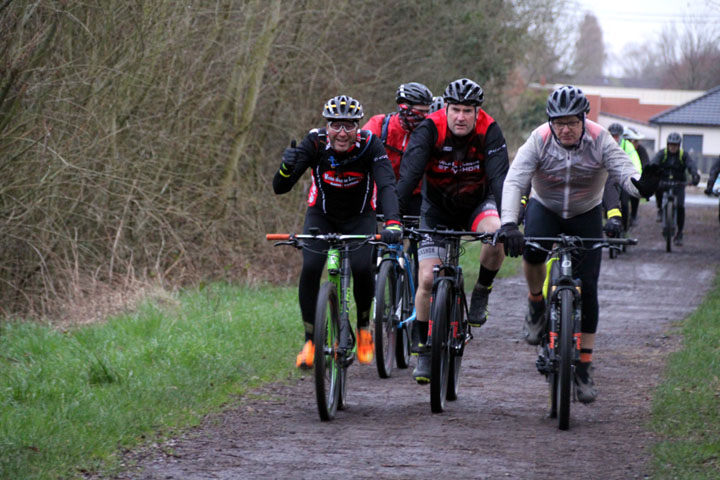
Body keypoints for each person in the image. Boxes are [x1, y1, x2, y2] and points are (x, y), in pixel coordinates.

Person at [497, 85, 660, 403]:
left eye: (572, 122)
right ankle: (535, 305)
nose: (566, 129)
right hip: (545, 207)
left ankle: (584, 366)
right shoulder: (540, 138)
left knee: (590, 286)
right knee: (532, 252)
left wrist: (642, 188)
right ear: (550, 122)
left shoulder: (600, 138)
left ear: (584, 119)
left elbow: (624, 173)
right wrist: (507, 222)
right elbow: (515, 179)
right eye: (559, 123)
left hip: (586, 212)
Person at [273, 95, 403, 369]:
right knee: (310, 267)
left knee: (361, 267)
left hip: (360, 217)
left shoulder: (370, 145)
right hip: (321, 216)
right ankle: (310, 341)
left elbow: (387, 184)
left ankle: (364, 328)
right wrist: (287, 167)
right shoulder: (315, 143)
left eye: (349, 126)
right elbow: (280, 187)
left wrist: (392, 222)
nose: (342, 133)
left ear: (358, 127)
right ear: (327, 126)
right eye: (335, 125)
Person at [396, 78, 510, 383]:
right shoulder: (430, 128)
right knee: (427, 279)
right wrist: (394, 217)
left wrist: (511, 221)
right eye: (455, 109)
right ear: (446, 108)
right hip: (437, 208)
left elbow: (501, 179)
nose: (460, 116)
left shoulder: (490, 130)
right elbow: (409, 175)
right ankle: (423, 348)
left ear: (477, 112)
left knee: (496, 233)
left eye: (467, 111)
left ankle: (482, 291)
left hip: (477, 203)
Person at [362, 82, 434, 216]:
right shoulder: (380, 125)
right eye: (420, 112)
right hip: (379, 193)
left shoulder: (430, 131)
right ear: (403, 108)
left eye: (427, 112)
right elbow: (358, 152)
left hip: (415, 196)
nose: (425, 117)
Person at [650, 132, 700, 246]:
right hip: (664, 181)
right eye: (671, 145)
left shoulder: (684, 155)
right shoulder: (663, 154)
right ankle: (660, 209)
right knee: (657, 188)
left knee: (681, 206)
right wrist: (651, 174)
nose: (673, 147)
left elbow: (691, 165)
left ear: (679, 146)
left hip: (679, 183)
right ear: (667, 145)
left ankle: (680, 233)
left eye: (675, 145)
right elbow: (654, 163)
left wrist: (695, 176)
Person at [608, 122, 642, 232]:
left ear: (621, 136)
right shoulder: (604, 144)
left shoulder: (627, 146)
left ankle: (625, 229)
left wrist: (636, 177)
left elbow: (635, 161)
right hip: (608, 179)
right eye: (612, 136)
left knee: (624, 203)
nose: (614, 138)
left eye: (616, 136)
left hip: (623, 178)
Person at [623, 127, 650, 226]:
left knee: (635, 191)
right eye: (635, 141)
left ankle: (633, 215)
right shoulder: (620, 148)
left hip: (634, 176)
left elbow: (646, 164)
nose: (637, 144)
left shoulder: (640, 149)